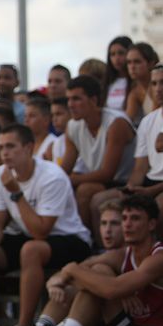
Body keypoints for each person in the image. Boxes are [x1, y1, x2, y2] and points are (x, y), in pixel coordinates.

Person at [0, 123, 92, 326]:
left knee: (31, 249)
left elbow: (41, 230)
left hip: (69, 238)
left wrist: (15, 193)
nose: (4, 152)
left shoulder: (52, 176)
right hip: (30, 236)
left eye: (11, 146)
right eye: (2, 147)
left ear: (29, 148)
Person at [23, 194, 163, 326]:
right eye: (125, 218)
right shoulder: (121, 255)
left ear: (151, 224)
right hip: (130, 323)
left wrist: (72, 269)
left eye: (135, 219)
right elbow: (81, 273)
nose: (127, 224)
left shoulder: (161, 257)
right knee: (98, 272)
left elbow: (111, 289)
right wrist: (58, 278)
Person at [0, 199, 125, 326]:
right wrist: (59, 281)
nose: (107, 230)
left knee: (95, 274)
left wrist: (64, 276)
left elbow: (85, 271)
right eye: (103, 223)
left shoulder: (125, 254)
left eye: (114, 224)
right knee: (70, 285)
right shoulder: (100, 255)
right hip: (96, 323)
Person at [93, 61, 163, 249]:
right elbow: (140, 167)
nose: (158, 89)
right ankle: (110, 255)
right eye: (154, 83)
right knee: (99, 201)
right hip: (151, 181)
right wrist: (132, 187)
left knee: (156, 211)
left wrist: (150, 192)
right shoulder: (148, 121)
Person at [61, 75, 136, 231]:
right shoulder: (72, 126)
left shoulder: (116, 123)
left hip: (126, 183)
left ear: (94, 100)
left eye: (76, 99)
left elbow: (108, 173)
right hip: (99, 179)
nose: (70, 105)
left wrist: (70, 179)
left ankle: (88, 241)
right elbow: (65, 168)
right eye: (68, 99)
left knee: (86, 190)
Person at [124, 41, 159, 123]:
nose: (132, 67)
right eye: (129, 62)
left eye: (137, 62)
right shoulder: (135, 91)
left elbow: (156, 120)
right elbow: (127, 121)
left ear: (151, 63)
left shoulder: (158, 85)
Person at [103, 35, 133, 111]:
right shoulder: (106, 83)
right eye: (112, 54)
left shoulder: (136, 82)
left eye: (121, 53)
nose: (117, 58)